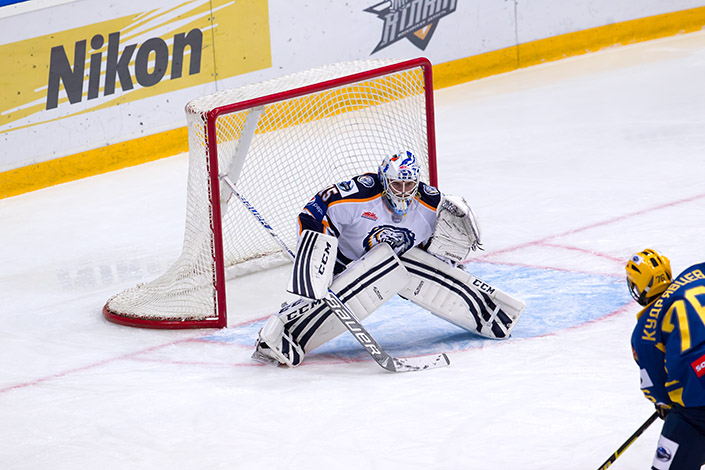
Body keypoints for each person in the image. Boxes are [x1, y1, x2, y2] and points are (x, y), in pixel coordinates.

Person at [252, 150, 525, 367]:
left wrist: (446, 258)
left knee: (391, 260)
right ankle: (280, 336)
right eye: (397, 184)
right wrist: (316, 259)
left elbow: (440, 243)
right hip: (341, 262)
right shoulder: (359, 193)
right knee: (370, 266)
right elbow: (313, 213)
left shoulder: (431, 203)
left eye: (410, 184)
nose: (404, 191)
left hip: (396, 261)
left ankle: (487, 310)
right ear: (384, 181)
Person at [626, 249, 705, 469]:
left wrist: (663, 405)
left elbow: (655, 386)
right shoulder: (698, 272)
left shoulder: (644, 332)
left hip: (697, 405)